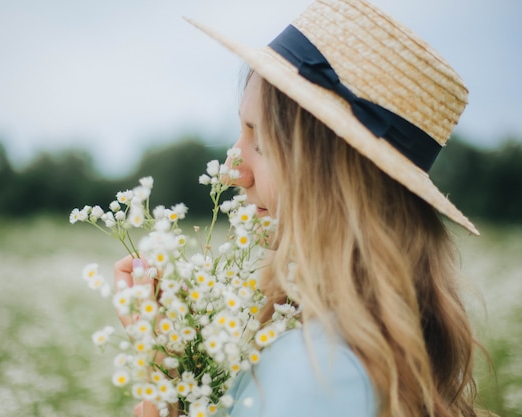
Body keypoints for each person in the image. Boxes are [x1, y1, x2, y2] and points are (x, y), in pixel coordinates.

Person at [116, 0, 487, 416]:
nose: (232, 173)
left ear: (325, 173)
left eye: (259, 140)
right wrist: (169, 364)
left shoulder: (311, 373)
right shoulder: (353, 345)